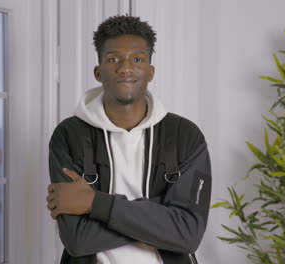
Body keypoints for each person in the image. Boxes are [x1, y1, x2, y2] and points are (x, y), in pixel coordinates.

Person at [47, 15, 212, 264]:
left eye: (137, 59)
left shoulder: (185, 136)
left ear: (150, 71)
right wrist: (161, 216)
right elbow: (77, 239)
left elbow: (188, 235)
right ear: (98, 72)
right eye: (114, 59)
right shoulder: (69, 136)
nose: (125, 68)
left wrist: (94, 202)